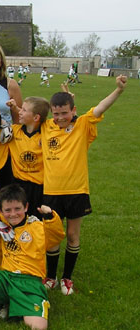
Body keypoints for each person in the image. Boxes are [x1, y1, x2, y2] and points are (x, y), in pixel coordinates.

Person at [41, 75, 127, 296]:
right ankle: (51, 276)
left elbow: (99, 108)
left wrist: (118, 90)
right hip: (51, 192)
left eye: (64, 113)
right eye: (56, 113)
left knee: (72, 235)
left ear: (73, 110)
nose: (60, 118)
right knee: (52, 236)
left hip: (77, 191)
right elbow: (26, 113)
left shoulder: (82, 125)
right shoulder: (46, 126)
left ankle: (67, 278)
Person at [0, 184, 65, 330]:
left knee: (38, 327)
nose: (13, 214)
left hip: (30, 283)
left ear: (26, 207)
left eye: (17, 209)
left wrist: (50, 216)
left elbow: (56, 237)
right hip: (7, 277)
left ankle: (17, 303)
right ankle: (5, 302)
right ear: (2, 211)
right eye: (7, 210)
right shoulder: (3, 222)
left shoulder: (37, 227)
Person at [7, 97, 50, 219]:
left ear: (36, 118)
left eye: (24, 110)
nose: (20, 112)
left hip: (39, 188)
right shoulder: (13, 131)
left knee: (36, 221)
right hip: (18, 185)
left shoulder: (47, 134)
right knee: (16, 219)